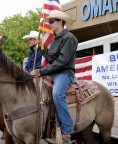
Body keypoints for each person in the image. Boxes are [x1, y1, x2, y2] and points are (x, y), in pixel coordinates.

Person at [30, 10, 78, 143]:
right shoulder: (55, 39)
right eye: (49, 21)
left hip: (64, 73)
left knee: (57, 93)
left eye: (52, 21)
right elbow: (51, 58)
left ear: (61, 22)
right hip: (53, 72)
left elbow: (62, 62)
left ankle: (67, 130)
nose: (49, 24)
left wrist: (41, 71)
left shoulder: (69, 38)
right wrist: (41, 47)